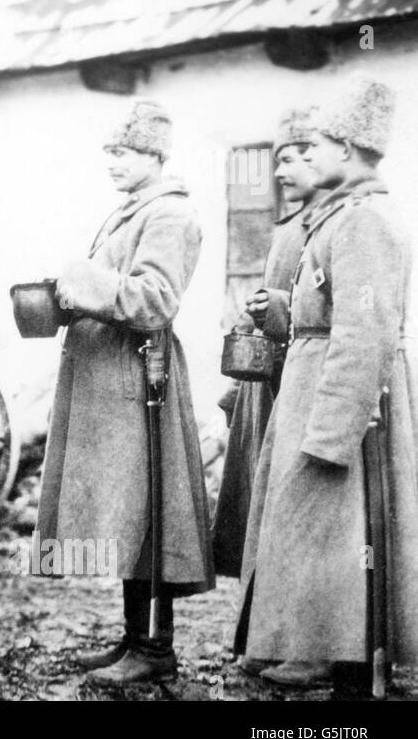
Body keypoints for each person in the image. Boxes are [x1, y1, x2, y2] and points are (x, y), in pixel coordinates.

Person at [242, 77, 418, 697]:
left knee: (348, 541)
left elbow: (365, 334)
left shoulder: (363, 221)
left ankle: (352, 677)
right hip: (313, 389)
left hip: (342, 406)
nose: (304, 158)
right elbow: (326, 310)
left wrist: (331, 434)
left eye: (313, 147)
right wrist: (282, 309)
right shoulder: (336, 218)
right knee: (326, 538)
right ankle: (333, 659)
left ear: (346, 149)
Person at [37, 99, 214, 685]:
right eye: (110, 151)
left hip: (142, 380)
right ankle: (134, 639)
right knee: (129, 513)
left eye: (125, 152)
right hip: (115, 379)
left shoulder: (170, 214)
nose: (112, 162)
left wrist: (84, 282)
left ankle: (155, 650)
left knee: (152, 515)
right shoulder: (128, 211)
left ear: (156, 155)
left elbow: (156, 300)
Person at [214, 107, 332, 687]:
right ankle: (270, 636)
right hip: (272, 390)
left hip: (315, 389)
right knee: (270, 517)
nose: (286, 169)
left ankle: (317, 645)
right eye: (281, 158)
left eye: (300, 156)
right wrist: (257, 311)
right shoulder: (286, 229)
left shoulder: (339, 224)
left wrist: (284, 312)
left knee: (314, 516)